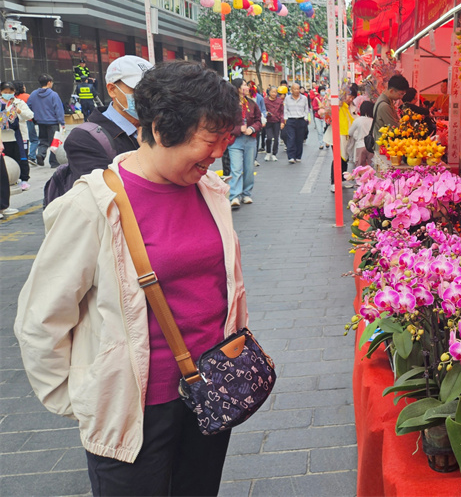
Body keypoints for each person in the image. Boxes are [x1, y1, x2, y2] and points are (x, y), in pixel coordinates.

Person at [14, 62, 245, 496]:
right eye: (210, 139)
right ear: (159, 129)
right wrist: (81, 398)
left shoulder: (209, 189)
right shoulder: (93, 203)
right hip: (133, 407)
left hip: (210, 393)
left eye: (226, 139)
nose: (218, 153)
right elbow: (40, 318)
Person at [57, 56, 153, 193]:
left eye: (152, 91)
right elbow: (106, 197)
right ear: (112, 89)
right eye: (138, 90)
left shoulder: (158, 125)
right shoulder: (84, 139)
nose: (147, 97)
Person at [227, 78, 262, 208]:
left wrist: (252, 128)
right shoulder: (230, 105)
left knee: (249, 168)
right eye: (244, 85)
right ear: (237, 88)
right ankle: (235, 196)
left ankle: (246, 194)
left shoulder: (252, 104)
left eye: (246, 85)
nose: (247, 87)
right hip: (235, 140)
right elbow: (225, 123)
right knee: (236, 169)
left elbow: (259, 120)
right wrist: (238, 129)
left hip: (250, 140)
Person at [1, 80, 34, 191]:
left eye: (10, 91)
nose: (7, 94)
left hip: (19, 136)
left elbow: (30, 115)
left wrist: (19, 111)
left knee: (22, 158)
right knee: (5, 161)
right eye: (5, 91)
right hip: (3, 137)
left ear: (14, 92)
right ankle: (8, 180)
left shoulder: (18, 102)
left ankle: (24, 180)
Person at [28, 73, 66, 168]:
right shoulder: (53, 95)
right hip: (52, 122)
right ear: (49, 82)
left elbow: (28, 106)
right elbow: (59, 109)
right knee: (54, 142)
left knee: (43, 140)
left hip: (40, 122)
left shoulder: (33, 94)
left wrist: (34, 117)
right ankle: (54, 162)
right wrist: (62, 122)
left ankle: (40, 155)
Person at [327, 85, 357, 192]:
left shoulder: (352, 106)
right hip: (337, 134)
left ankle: (343, 179)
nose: (351, 99)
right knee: (338, 158)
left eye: (353, 97)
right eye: (350, 96)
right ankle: (334, 182)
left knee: (345, 158)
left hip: (348, 135)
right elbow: (327, 113)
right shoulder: (337, 104)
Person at [282, 82, 310, 163]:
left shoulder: (304, 98)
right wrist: (285, 118)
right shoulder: (287, 98)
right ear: (291, 90)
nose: (297, 90)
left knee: (299, 139)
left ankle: (298, 156)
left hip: (301, 120)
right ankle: (291, 156)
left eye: (298, 89)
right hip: (291, 120)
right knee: (291, 138)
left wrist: (305, 117)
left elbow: (306, 108)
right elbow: (285, 109)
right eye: (295, 89)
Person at [346, 100, 374, 172]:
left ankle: (360, 182)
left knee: (360, 168)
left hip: (360, 146)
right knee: (371, 168)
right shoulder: (373, 120)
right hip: (371, 146)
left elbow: (350, 132)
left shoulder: (358, 120)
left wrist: (356, 136)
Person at [13, 82, 37, 164]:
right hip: (28, 122)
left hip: (23, 124)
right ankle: (32, 156)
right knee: (34, 139)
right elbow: (32, 108)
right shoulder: (27, 96)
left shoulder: (18, 100)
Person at [263, 86, 284, 161]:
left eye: (275, 92)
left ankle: (274, 154)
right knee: (268, 138)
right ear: (269, 92)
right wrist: (266, 113)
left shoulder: (280, 101)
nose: (274, 94)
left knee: (276, 138)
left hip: (277, 122)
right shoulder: (265, 100)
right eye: (272, 92)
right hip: (268, 122)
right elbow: (262, 110)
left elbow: (282, 112)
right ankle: (268, 152)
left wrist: (282, 122)